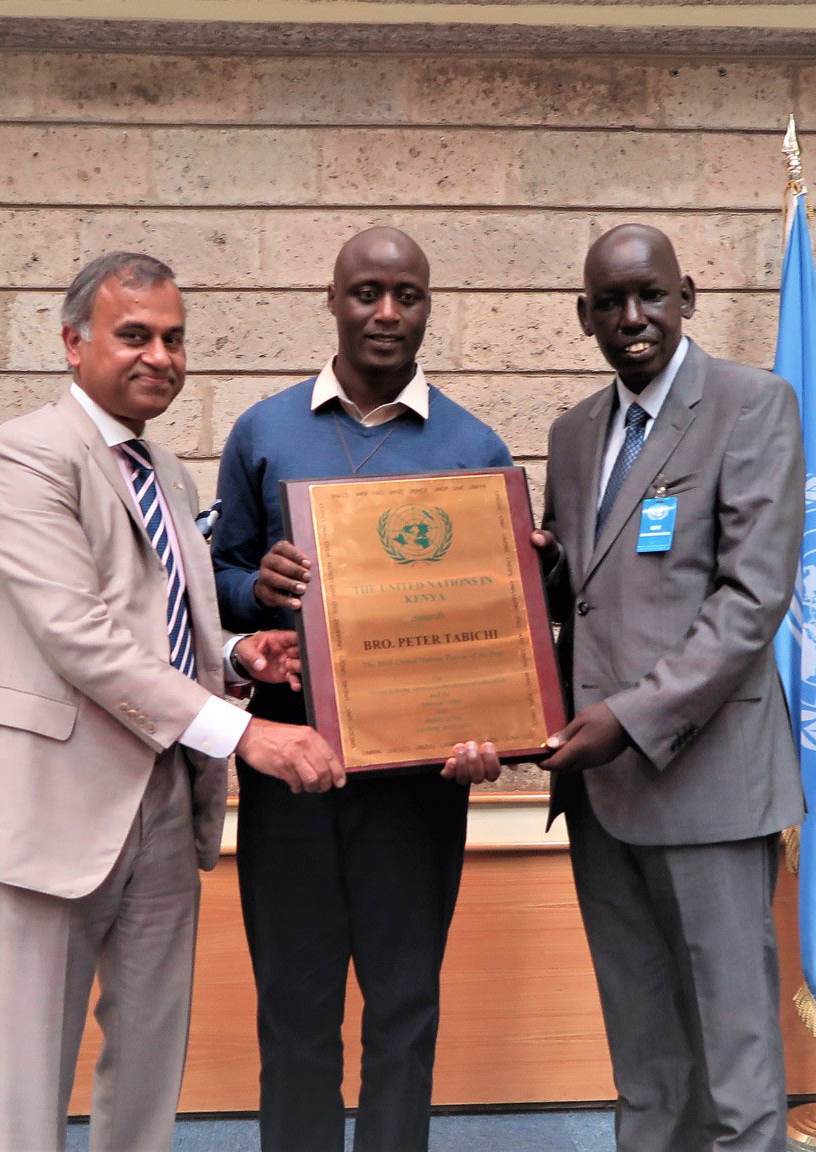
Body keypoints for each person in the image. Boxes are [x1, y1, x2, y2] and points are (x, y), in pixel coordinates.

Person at [0, 252, 343, 1152]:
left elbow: (159, 625)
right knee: (36, 1068)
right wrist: (249, 737)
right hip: (55, 800)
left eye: (174, 337)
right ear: (73, 344)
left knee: (152, 1054)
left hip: (164, 799)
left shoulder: (170, 473)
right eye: (134, 336)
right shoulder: (23, 457)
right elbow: (80, 637)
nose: (160, 355)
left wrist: (239, 653)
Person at [210, 226, 510, 1152]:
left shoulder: (474, 444)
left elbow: (507, 624)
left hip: (418, 782)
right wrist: (255, 589)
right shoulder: (263, 430)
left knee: (405, 1010)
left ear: (428, 306)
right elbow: (211, 576)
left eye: (407, 295)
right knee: (295, 1013)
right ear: (332, 300)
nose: (386, 313)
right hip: (292, 765)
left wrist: (499, 730)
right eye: (367, 292)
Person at [537, 224, 805, 1152]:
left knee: (734, 1063)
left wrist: (632, 717)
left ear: (686, 296)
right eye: (609, 303)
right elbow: (588, 588)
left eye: (650, 295)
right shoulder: (573, 434)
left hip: (705, 777)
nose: (633, 318)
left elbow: (752, 597)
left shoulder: (752, 404)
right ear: (585, 317)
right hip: (600, 791)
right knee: (645, 1056)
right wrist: (528, 575)